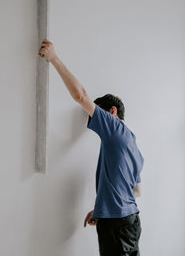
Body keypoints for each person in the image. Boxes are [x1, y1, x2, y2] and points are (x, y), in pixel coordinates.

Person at [38, 38, 144, 256]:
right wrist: (102, 209)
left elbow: (80, 95)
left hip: (116, 225)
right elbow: (134, 190)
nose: (94, 120)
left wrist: (54, 58)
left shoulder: (113, 127)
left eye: (97, 114)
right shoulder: (131, 142)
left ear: (112, 112)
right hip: (130, 221)